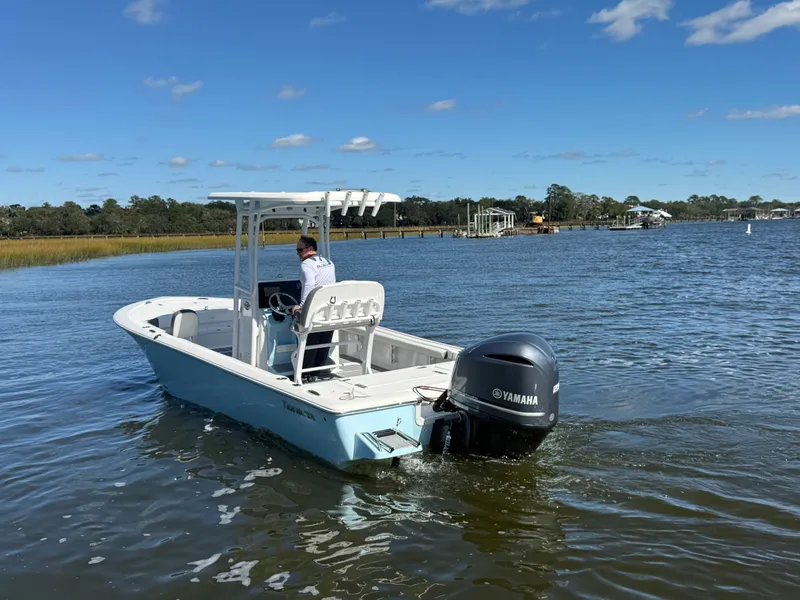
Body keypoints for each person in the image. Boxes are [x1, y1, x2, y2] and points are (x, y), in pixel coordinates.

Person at [291, 235, 336, 377]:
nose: (298, 254)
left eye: (300, 250)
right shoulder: (328, 261)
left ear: (310, 249)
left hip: (315, 310)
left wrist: (301, 307)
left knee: (310, 340)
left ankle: (304, 374)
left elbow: (309, 285)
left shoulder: (306, 264)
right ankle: (318, 370)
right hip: (330, 310)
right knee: (324, 340)